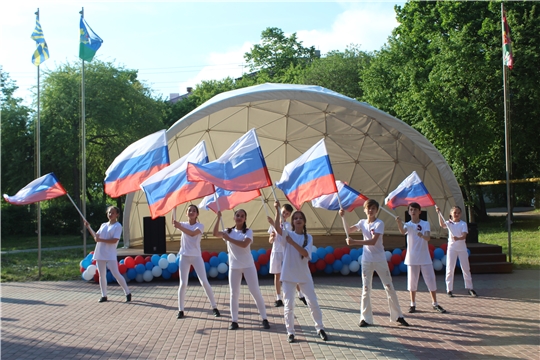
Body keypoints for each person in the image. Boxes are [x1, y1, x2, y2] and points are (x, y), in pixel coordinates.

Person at [339, 199, 410, 327]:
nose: (370, 211)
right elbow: (349, 230)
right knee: (366, 288)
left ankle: (398, 315)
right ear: (365, 210)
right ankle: (365, 318)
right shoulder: (362, 222)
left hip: (380, 259)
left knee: (389, 286)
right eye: (368, 208)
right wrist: (343, 217)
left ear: (377, 210)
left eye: (373, 208)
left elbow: (373, 241)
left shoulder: (379, 224)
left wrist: (354, 242)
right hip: (367, 260)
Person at [268, 202, 328, 343]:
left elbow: (305, 253)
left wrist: (292, 242)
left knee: (313, 302)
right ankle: (290, 332)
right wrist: (277, 210)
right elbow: (277, 227)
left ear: (304, 221)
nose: (298, 220)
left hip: (304, 276)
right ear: (293, 222)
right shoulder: (287, 234)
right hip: (288, 275)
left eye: (300, 218)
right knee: (289, 305)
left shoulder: (308, 237)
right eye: (295, 218)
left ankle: (320, 328)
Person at [213, 209, 270, 331]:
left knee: (255, 291)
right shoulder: (228, 231)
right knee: (234, 293)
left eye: (242, 216)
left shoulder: (248, 232)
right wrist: (218, 218)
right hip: (234, 267)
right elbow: (215, 233)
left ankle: (264, 318)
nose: (239, 217)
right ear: (234, 217)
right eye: (237, 215)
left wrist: (228, 239)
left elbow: (244, 244)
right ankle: (234, 321)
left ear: (245, 219)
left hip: (248, 266)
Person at [396, 202, 446, 314]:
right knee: (412, 281)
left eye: (415, 210)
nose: (413, 212)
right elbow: (403, 231)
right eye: (411, 210)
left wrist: (422, 235)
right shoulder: (408, 224)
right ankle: (412, 304)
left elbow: (428, 238)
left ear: (419, 212)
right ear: (409, 212)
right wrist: (399, 223)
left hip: (424, 256)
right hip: (412, 257)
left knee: (430, 279)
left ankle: (435, 303)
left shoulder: (425, 223)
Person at [173, 204, 220, 319]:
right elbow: (174, 222)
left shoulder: (200, 226)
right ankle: (181, 310)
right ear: (186, 213)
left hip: (196, 257)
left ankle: (214, 307)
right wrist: (174, 208)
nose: (192, 212)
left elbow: (193, 233)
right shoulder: (183, 224)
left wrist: (179, 226)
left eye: (194, 211)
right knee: (183, 283)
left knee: (204, 281)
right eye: (189, 210)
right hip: (184, 256)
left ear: (197, 214)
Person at [84, 206, 131, 303]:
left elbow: (114, 240)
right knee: (102, 274)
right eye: (109, 212)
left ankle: (127, 292)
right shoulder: (103, 225)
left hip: (110, 253)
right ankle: (104, 295)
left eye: (113, 213)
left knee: (116, 273)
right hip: (100, 252)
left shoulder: (118, 226)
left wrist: (100, 240)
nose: (110, 214)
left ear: (117, 214)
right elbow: (96, 237)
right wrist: (89, 227)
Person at [268, 203, 307, 307]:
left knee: (292, 273)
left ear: (289, 216)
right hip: (276, 252)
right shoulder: (273, 225)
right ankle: (278, 297)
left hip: (285, 252)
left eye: (286, 213)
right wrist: (272, 237)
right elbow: (271, 240)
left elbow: (285, 235)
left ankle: (300, 294)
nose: (284, 214)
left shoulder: (288, 226)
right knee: (277, 275)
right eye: (283, 212)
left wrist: (275, 225)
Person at [435, 205, 477, 298]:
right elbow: (442, 225)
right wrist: (439, 213)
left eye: (458, 213)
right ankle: (449, 289)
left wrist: (457, 238)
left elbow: (464, 236)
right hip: (452, 249)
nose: (456, 214)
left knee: (466, 268)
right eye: (455, 212)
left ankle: (470, 288)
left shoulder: (463, 224)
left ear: (461, 214)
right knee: (450, 268)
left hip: (462, 248)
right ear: (451, 214)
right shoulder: (449, 223)